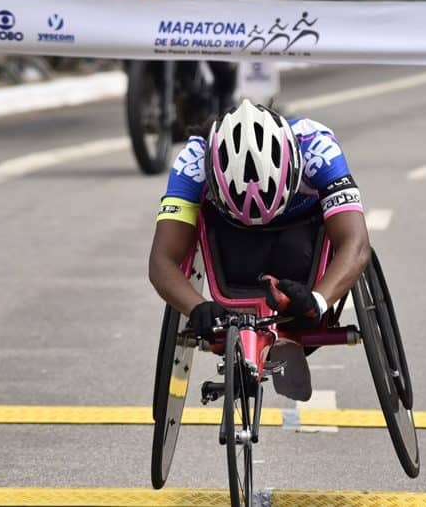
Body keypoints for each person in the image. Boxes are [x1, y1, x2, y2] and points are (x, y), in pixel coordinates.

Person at [148, 100, 370, 401]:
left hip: (301, 241)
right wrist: (196, 307)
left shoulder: (316, 146)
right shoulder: (194, 161)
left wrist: (318, 301)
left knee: (307, 260)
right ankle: (257, 336)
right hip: (233, 244)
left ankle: (287, 326)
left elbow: (355, 244)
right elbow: (163, 259)